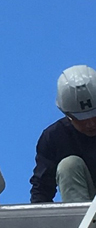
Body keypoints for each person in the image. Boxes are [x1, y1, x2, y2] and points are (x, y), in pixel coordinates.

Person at [30, 65, 96, 203]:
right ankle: (81, 215)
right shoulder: (55, 138)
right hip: (90, 209)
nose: (90, 124)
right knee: (69, 165)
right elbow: (42, 189)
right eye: (81, 119)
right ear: (67, 115)